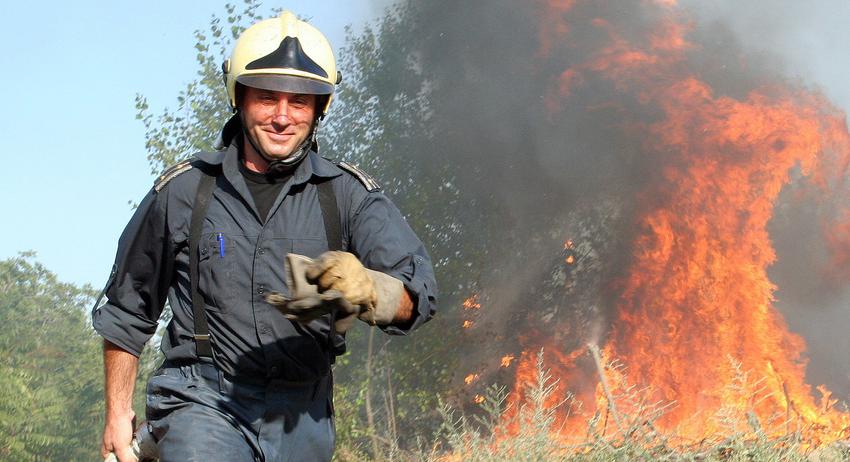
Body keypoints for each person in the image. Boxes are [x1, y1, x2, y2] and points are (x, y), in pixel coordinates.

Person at [92, 11, 437, 462]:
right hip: (203, 401)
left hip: (304, 416)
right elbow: (127, 310)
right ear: (239, 98)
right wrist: (118, 413)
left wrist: (374, 291)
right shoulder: (185, 192)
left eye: (299, 101)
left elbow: (420, 298)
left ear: (319, 109)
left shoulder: (348, 197)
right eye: (267, 98)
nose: (281, 116)